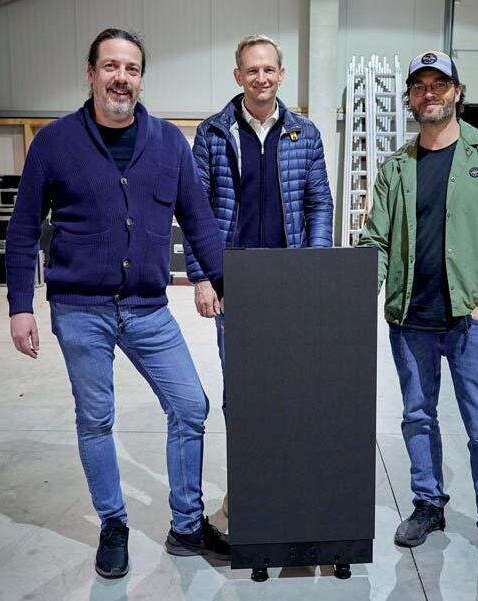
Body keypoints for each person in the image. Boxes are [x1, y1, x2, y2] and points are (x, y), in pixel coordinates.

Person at [5, 28, 230, 580]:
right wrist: (19, 304)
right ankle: (113, 524)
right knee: (96, 419)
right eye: (110, 66)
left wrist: (232, 284)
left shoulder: (169, 143)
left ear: (141, 79)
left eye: (131, 68)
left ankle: (186, 525)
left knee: (190, 406)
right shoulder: (55, 142)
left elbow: (199, 222)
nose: (121, 78)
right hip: (80, 310)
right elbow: (24, 227)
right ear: (91, 74)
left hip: (148, 308)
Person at [359, 50, 478, 577]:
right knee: (417, 416)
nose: (429, 93)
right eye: (419, 86)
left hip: (469, 323)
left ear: (458, 92)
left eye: (439, 84)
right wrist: (357, 296)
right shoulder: (396, 166)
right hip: (410, 319)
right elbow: (376, 241)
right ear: (410, 99)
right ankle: (428, 503)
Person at [185, 35, 333, 516]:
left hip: (291, 282)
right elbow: (195, 210)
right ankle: (249, 484)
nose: (261, 77)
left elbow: (319, 203)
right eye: (252, 70)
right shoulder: (213, 133)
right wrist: (203, 278)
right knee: (243, 391)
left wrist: (314, 268)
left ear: (281, 75)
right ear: (238, 76)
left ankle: (289, 481)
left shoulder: (304, 133)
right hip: (236, 284)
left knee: (294, 385)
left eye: (269, 69)